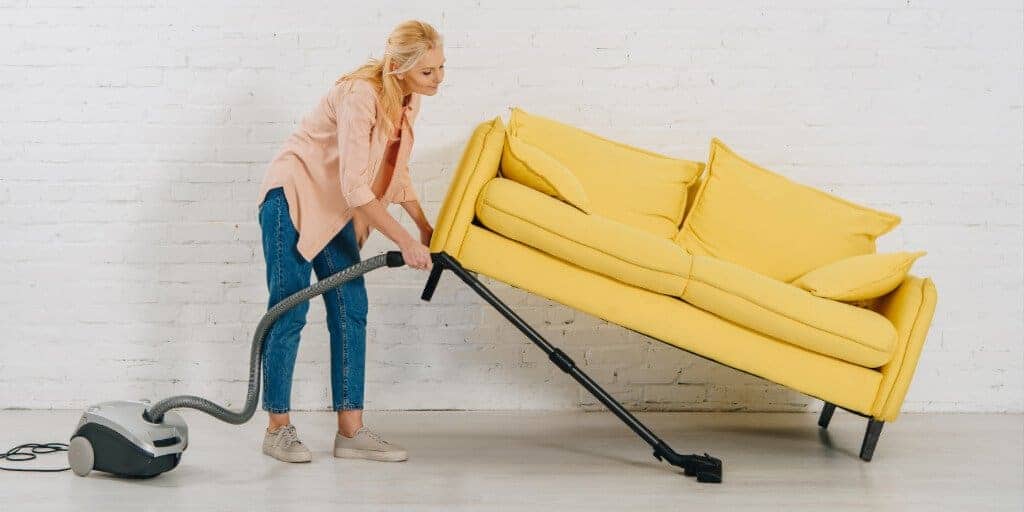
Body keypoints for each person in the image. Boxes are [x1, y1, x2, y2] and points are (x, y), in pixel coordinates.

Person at [253, 20, 445, 463]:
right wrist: (404, 240)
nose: (438, 80)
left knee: (350, 308)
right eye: (428, 72)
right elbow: (357, 186)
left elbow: (396, 172)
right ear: (398, 66)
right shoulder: (361, 94)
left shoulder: (407, 100)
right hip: (294, 199)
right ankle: (277, 429)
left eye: (440, 68)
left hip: (335, 208)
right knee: (289, 309)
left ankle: (351, 432)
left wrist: (424, 227)